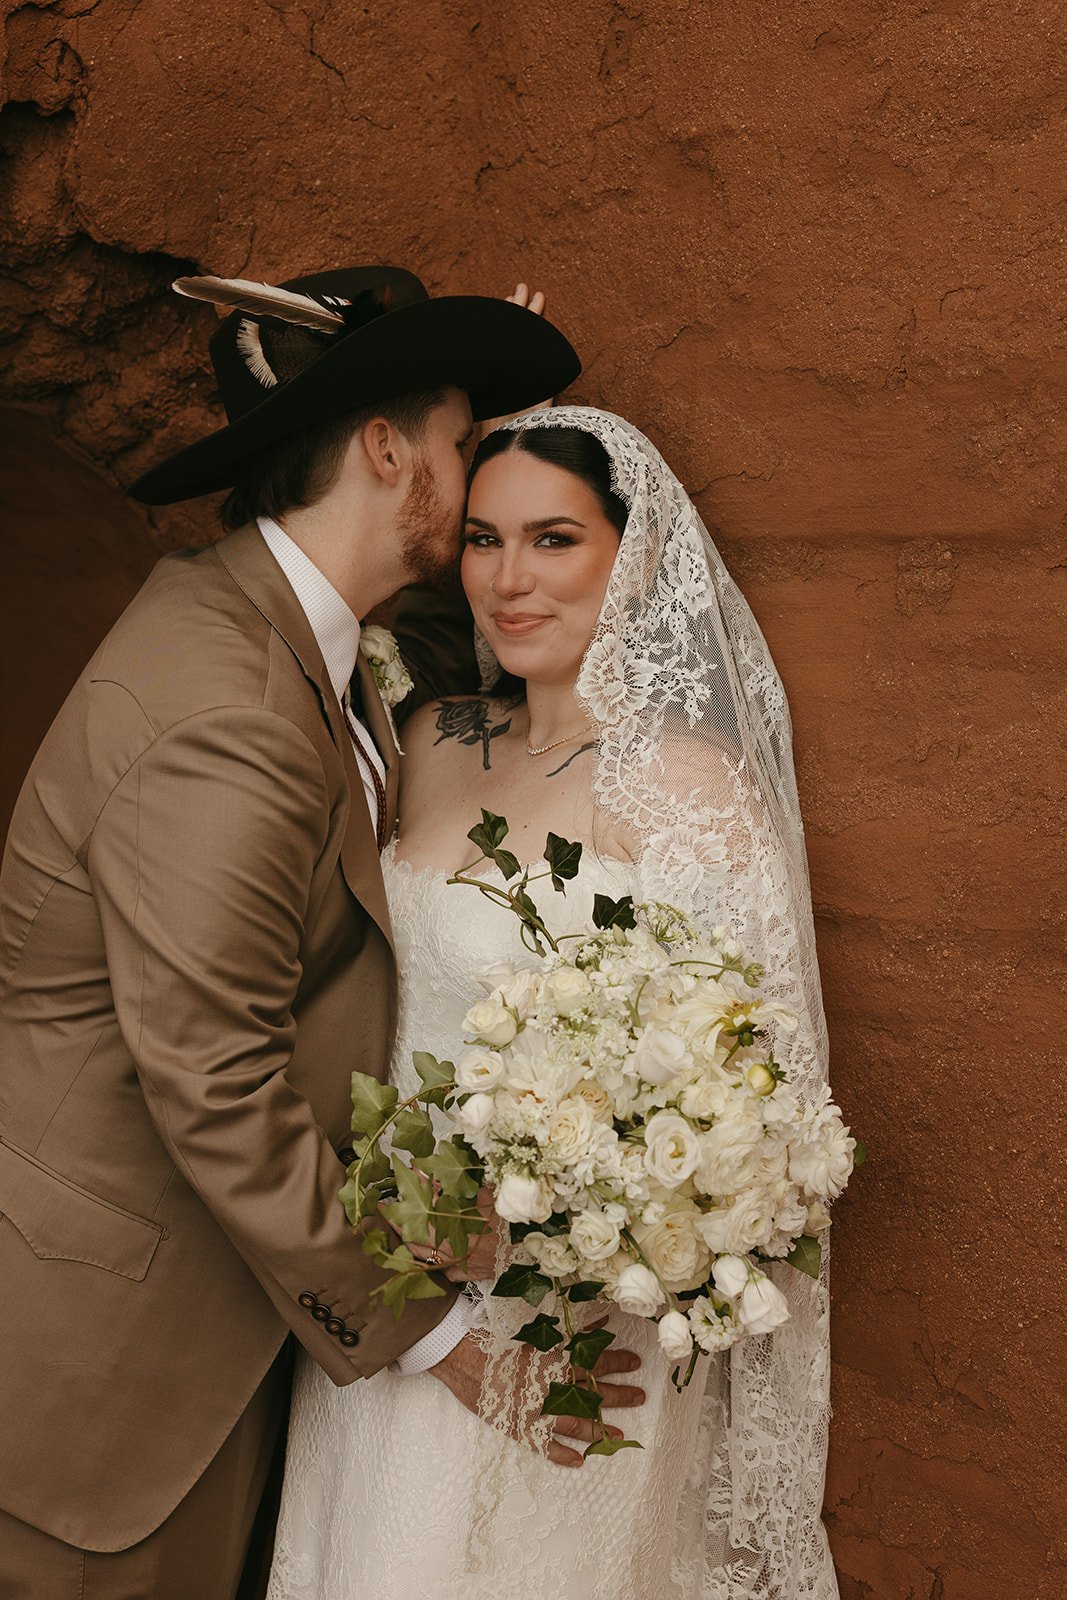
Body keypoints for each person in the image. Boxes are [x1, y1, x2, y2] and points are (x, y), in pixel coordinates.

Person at [0, 265, 650, 1600]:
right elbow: (215, 1081)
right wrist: (429, 1339)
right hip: (106, 1384)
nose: (473, 492)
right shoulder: (227, 705)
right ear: (382, 450)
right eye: (463, 448)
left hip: (213, 1329)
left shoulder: (305, 644)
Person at [266, 408, 841, 1600]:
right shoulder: (428, 737)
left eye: (554, 539)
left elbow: (759, 1110)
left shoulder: (685, 786)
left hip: (563, 1330)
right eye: (481, 538)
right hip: (387, 1304)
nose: (509, 579)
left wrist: (539, 1235)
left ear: (630, 561)